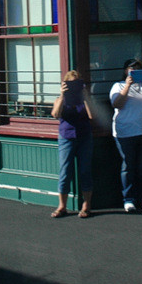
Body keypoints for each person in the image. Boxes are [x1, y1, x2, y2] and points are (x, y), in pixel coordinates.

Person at [110, 59, 142, 213]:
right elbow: (117, 104)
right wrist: (127, 86)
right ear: (125, 71)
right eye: (131, 69)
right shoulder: (118, 86)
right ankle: (129, 199)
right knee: (128, 166)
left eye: (138, 69)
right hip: (126, 132)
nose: (134, 72)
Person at [50, 70, 94, 218]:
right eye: (71, 84)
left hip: (84, 136)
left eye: (76, 83)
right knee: (65, 171)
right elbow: (56, 114)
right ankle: (62, 206)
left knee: (85, 171)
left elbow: (91, 115)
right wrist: (63, 95)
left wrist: (85, 96)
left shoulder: (84, 100)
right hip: (66, 136)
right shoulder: (60, 99)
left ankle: (86, 205)